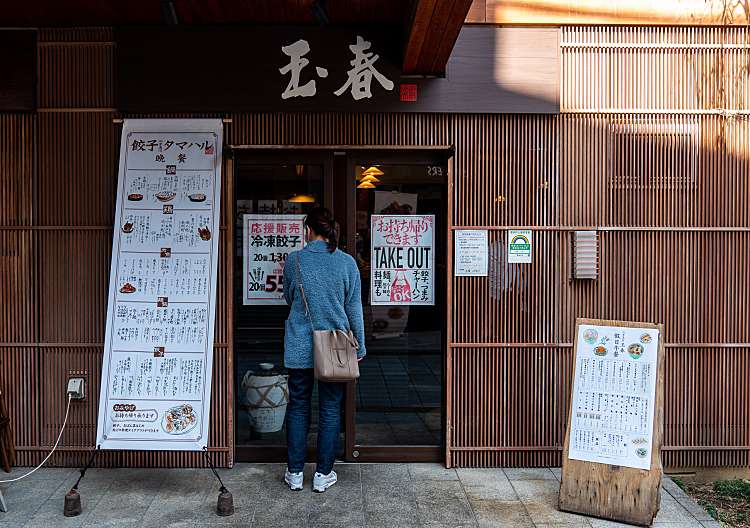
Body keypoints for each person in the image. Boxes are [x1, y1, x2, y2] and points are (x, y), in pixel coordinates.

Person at [282, 207, 366, 492]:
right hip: (334, 346)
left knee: (298, 407)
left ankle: (294, 473)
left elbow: (289, 296)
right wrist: (360, 346)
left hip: (299, 344)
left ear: (308, 231)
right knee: (330, 409)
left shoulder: (294, 261)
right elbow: (354, 308)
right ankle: (323, 474)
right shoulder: (347, 263)